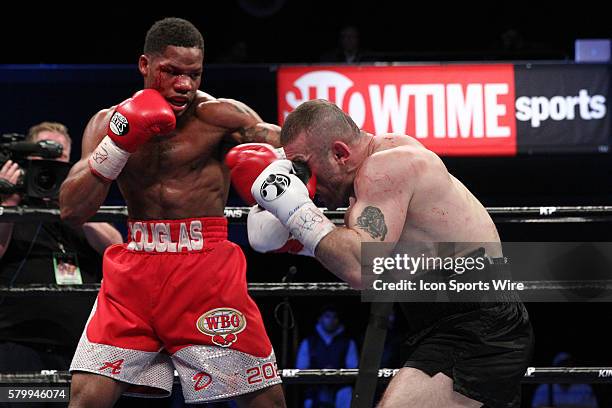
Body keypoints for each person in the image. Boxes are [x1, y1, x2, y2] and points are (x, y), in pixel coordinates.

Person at [228, 99, 534, 407]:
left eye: (305, 166)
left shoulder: (385, 169)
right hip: (453, 321)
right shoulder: (377, 162)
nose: (307, 180)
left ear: (339, 153)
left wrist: (295, 211)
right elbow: (383, 258)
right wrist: (295, 239)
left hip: (478, 328)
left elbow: (361, 268)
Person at [59, 18, 285, 407]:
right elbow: (71, 208)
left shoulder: (221, 118)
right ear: (145, 65)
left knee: (266, 403)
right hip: (135, 271)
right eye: (172, 72)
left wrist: (284, 166)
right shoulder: (106, 122)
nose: (185, 85)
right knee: (85, 399)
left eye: (194, 74)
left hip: (207, 270)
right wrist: (119, 143)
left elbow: (289, 145)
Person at [0, 121, 122, 374]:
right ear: (27, 157)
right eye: (43, 155)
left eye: (59, 156)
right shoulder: (11, 207)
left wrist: (74, 206)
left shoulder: (79, 209)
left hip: (79, 348)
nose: (50, 163)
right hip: (20, 345)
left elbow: (116, 247)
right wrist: (7, 202)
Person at [295, 305, 358, 408]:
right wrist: (322, 373)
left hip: (340, 388)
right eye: (328, 316)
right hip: (315, 389)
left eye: (335, 317)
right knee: (309, 400)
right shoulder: (309, 342)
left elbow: (353, 368)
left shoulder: (348, 342)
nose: (331, 320)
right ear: (320, 319)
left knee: (346, 394)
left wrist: (335, 373)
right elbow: (300, 368)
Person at [531, 352, 598, 407]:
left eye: (568, 365)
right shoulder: (544, 388)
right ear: (555, 369)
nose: (566, 369)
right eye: (562, 366)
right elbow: (536, 406)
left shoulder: (584, 389)